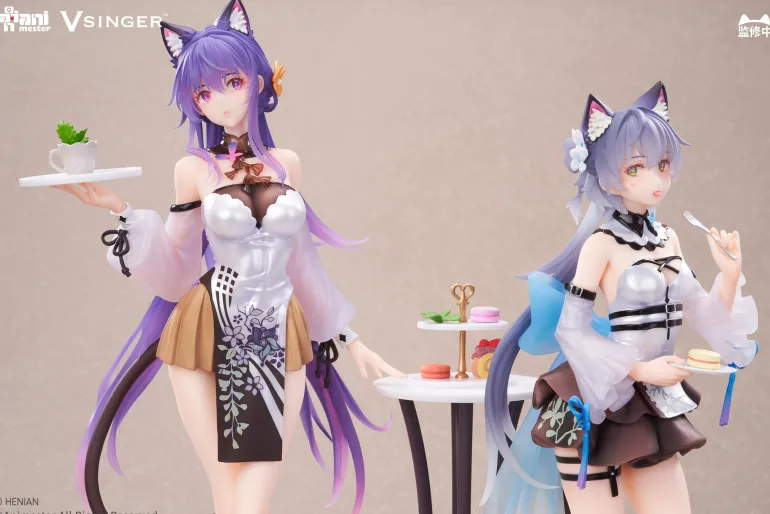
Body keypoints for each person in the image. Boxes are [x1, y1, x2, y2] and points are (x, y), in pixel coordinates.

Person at [51, 2, 404, 513]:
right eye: (202, 92)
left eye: (231, 82)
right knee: (227, 487)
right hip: (205, 324)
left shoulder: (286, 164)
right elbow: (177, 266)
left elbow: (301, 262)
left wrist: (350, 339)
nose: (218, 100)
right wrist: (121, 211)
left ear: (258, 81)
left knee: (254, 490)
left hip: (278, 328)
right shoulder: (193, 170)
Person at [481, 82, 759, 514]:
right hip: (596, 396)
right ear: (609, 174)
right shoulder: (601, 245)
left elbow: (702, 311)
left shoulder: (669, 238)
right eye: (636, 168)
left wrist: (730, 275)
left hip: (651, 400)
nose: (656, 179)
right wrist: (638, 368)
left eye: (662, 165)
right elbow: (570, 330)